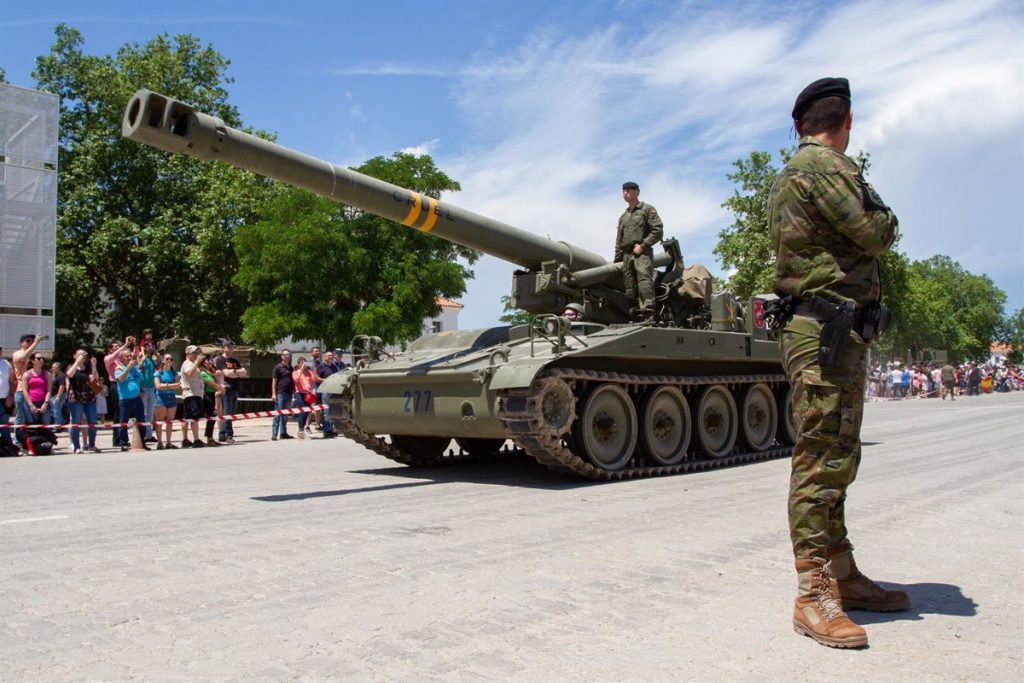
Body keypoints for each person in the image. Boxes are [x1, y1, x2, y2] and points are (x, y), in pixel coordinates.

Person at [768, 77, 907, 649]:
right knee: (822, 458)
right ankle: (812, 594)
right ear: (846, 121)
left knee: (838, 457)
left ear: (798, 123)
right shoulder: (826, 168)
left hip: (832, 329)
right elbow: (876, 232)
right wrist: (887, 217)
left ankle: (841, 571)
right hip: (826, 329)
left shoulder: (794, 173)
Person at [613, 181, 663, 318]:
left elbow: (657, 230)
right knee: (629, 287)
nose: (625, 193)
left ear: (637, 192)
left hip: (642, 252)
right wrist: (617, 261)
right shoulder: (623, 217)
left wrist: (643, 245)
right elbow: (619, 241)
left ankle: (648, 314)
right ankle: (634, 315)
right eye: (623, 191)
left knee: (644, 282)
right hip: (626, 255)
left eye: (628, 190)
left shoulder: (647, 209)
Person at [66, 349, 101, 454]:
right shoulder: (71, 367)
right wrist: (77, 362)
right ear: (75, 356)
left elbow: (95, 379)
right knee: (76, 423)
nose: (83, 356)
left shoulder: (88, 368)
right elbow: (69, 374)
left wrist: (94, 365)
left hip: (89, 397)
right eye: (80, 354)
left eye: (84, 355)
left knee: (93, 422)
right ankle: (76, 446)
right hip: (76, 398)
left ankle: (91, 445)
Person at [114, 347, 148, 452]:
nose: (130, 358)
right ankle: (124, 443)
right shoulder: (119, 368)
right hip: (125, 399)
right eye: (127, 356)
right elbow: (120, 379)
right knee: (124, 422)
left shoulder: (135, 368)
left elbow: (140, 379)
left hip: (137, 398)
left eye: (130, 356)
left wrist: (141, 391)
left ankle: (142, 442)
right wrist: (128, 368)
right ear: (122, 358)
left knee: (141, 420)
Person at [214, 341, 246, 444]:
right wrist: (236, 372)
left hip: (235, 388)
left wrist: (234, 373)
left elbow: (244, 372)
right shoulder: (220, 360)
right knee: (226, 412)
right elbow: (226, 373)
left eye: (232, 346)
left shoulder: (235, 361)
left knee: (231, 412)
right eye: (228, 346)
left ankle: (222, 434)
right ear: (224, 347)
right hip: (225, 388)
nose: (231, 348)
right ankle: (228, 434)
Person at [12, 333, 45, 429]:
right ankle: (18, 440)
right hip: (21, 389)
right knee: (20, 416)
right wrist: (36, 343)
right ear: (21, 343)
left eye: (32, 340)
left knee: (33, 417)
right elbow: (22, 357)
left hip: (33, 390)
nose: (31, 342)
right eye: (28, 341)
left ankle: (31, 439)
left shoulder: (32, 356)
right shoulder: (17, 353)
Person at [179, 345, 206, 448]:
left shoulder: (193, 364)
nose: (196, 355)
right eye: (194, 353)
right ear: (188, 353)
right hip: (191, 394)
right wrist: (197, 362)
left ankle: (187, 439)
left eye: (197, 353)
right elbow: (189, 373)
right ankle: (195, 439)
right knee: (193, 418)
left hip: (195, 394)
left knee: (189, 417)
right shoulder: (187, 364)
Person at [154, 353, 180, 450]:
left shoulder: (174, 373)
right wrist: (170, 385)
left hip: (171, 396)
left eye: (171, 359)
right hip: (161, 397)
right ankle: (160, 442)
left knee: (170, 421)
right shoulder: (158, 373)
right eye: (167, 359)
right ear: (163, 361)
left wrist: (166, 385)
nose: (169, 360)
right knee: (160, 420)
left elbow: (178, 385)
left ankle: (169, 442)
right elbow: (158, 386)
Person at [270, 350, 294, 440]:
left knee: (285, 414)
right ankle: (274, 433)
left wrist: (294, 392)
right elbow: (274, 382)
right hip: (280, 393)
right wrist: (273, 394)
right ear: (282, 356)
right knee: (277, 414)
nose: (287, 357)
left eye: (289, 355)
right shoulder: (277, 368)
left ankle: (283, 433)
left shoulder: (291, 368)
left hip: (289, 393)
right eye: (285, 355)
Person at [199, 357, 223, 447]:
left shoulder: (210, 372)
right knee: (211, 416)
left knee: (213, 417)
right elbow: (211, 384)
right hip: (208, 395)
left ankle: (210, 437)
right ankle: (209, 438)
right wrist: (221, 388)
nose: (210, 362)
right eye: (207, 361)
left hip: (213, 395)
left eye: (211, 361)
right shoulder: (203, 373)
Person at [292, 356, 317, 439]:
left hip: (308, 394)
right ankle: (301, 429)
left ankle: (303, 427)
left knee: (307, 412)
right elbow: (297, 380)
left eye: (304, 363)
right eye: (301, 363)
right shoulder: (295, 372)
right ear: (298, 364)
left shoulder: (309, 372)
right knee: (302, 411)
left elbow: (315, 378)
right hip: (300, 393)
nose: (303, 364)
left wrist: (313, 369)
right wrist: (302, 370)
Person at [316, 350, 339, 438]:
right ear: (325, 357)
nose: (331, 357)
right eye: (329, 356)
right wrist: (325, 380)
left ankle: (331, 429)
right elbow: (316, 377)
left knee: (332, 410)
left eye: (331, 355)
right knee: (326, 410)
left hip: (333, 389)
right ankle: (326, 430)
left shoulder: (334, 366)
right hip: (325, 390)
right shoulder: (321, 366)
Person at [0, 345, 14, 448]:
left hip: (4, 399)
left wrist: (11, 395)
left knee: (4, 424)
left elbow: (12, 382)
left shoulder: (6, 364)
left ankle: (9, 447)